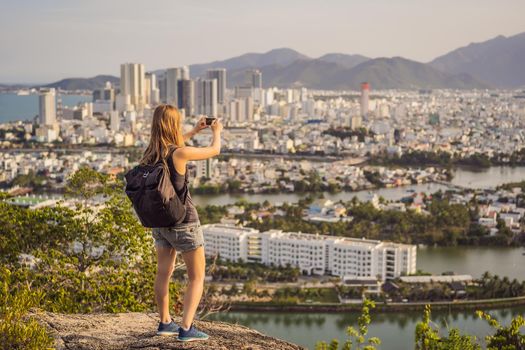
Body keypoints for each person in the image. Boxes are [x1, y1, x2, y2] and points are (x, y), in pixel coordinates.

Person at [139, 104, 222, 342]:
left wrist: (194, 131)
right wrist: (216, 130)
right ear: (173, 124)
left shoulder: (149, 153)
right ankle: (186, 328)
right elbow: (214, 150)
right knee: (196, 276)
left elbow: (173, 146)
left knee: (163, 273)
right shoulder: (180, 154)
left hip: (160, 223)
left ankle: (165, 322)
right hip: (184, 223)